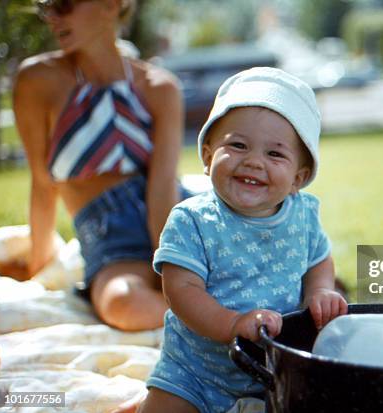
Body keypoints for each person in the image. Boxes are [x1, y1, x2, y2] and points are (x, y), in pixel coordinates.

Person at [138, 67, 348, 413]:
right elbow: (181, 291)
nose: (253, 161)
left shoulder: (304, 215)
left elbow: (318, 260)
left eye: (275, 154)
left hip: (276, 371)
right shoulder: (193, 219)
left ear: (299, 177)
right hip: (195, 374)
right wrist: (233, 324)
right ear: (208, 156)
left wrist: (319, 291)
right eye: (237, 145)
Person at [12, 0, 189, 331]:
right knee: (126, 304)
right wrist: (38, 274)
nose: (52, 16)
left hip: (174, 221)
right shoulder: (38, 81)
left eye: (64, 4)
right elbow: (42, 184)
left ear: (111, 4)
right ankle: (215, 329)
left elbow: (163, 187)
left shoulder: (160, 87)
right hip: (110, 238)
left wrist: (173, 268)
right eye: (47, 6)